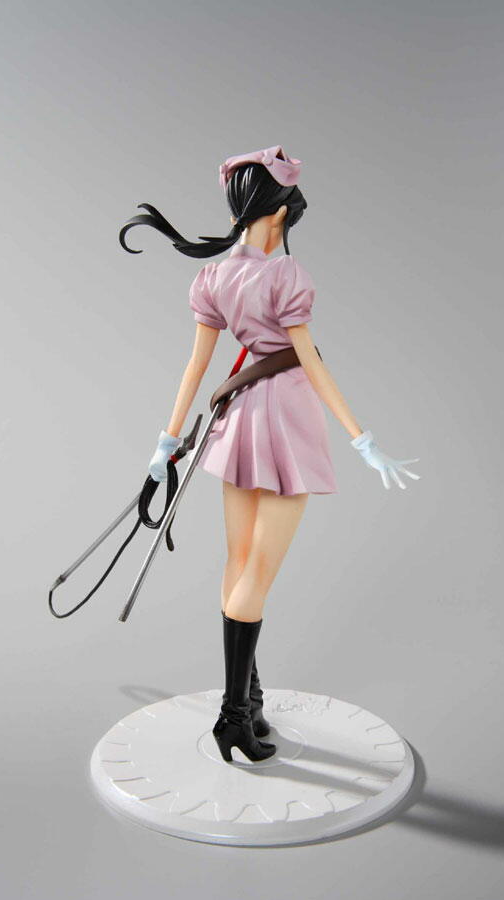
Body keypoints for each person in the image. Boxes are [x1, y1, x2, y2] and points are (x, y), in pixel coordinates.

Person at [119, 145, 420, 764]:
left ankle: (250, 698)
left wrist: (165, 443)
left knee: (238, 565)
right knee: (256, 574)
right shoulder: (286, 274)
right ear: (279, 215)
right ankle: (232, 716)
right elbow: (310, 360)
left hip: (237, 420)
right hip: (285, 417)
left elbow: (195, 367)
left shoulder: (212, 277)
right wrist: (362, 439)